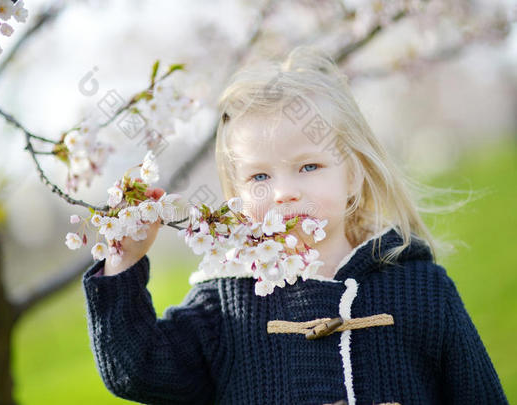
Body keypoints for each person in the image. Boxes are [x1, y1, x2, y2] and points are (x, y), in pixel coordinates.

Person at [81, 45, 508, 404]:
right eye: (260, 177)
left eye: (309, 165)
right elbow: (135, 368)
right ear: (238, 195)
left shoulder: (422, 288)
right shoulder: (226, 305)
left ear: (353, 177)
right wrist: (124, 263)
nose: (283, 192)